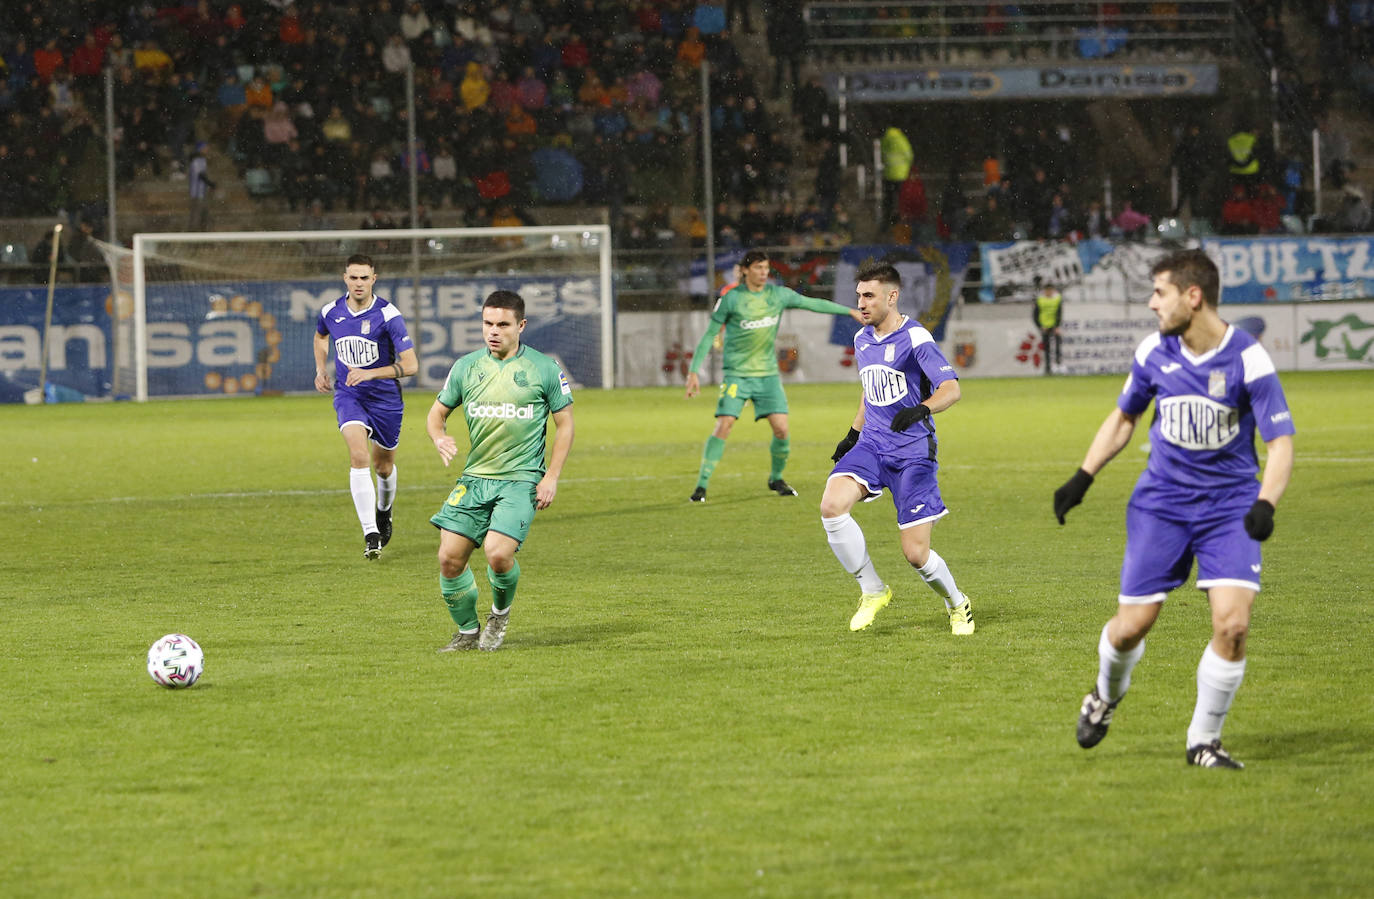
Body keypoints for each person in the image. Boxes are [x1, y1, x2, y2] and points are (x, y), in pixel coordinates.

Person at [1053, 249, 1295, 769]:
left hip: (1229, 509)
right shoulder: (1153, 353)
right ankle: (1104, 694)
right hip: (1161, 505)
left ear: (1193, 295)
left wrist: (1265, 504)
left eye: (1159, 292)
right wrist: (1083, 477)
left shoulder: (1248, 359)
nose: (1150, 304)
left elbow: (1281, 444)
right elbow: (1124, 419)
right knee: (1130, 627)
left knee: (1232, 626)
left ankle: (1203, 741)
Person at [821, 259, 974, 636]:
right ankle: (872, 589)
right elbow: (868, 388)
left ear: (892, 296)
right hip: (873, 444)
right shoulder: (861, 339)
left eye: (869, 296)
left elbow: (951, 389)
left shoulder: (916, 338)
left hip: (912, 453)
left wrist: (921, 408)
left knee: (915, 555)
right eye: (858, 295)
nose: (862, 303)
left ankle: (957, 604)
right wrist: (854, 434)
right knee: (831, 506)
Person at [426, 290, 575, 652]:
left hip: (521, 479)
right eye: (488, 323)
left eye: (503, 324)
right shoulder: (466, 367)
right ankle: (466, 632)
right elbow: (436, 414)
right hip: (475, 479)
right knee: (448, 558)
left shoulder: (543, 368)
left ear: (521, 326)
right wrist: (439, 437)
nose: (494, 331)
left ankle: (499, 614)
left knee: (497, 552)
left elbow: (565, 424)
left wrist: (550, 477)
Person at [684, 248, 863, 502]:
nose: (763, 273)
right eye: (758, 268)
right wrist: (694, 372)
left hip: (768, 376)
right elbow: (710, 334)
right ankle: (700, 487)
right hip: (737, 375)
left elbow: (813, 304)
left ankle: (776, 478)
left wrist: (849, 311)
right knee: (724, 425)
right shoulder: (732, 299)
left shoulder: (777, 295)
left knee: (781, 429)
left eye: (766, 268)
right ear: (745, 270)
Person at [313, 255, 420, 560]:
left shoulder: (388, 314)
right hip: (349, 395)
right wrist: (321, 369)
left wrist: (371, 373)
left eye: (364, 278)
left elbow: (411, 365)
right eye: (353, 277)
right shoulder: (330, 312)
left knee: (383, 467)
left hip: (385, 399)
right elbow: (321, 336)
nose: (358, 283)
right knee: (358, 455)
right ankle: (371, 533)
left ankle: (384, 511)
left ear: (374, 278)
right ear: (344, 278)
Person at [1033, 279, 1063, 375]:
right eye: (1047, 290)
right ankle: (1048, 368)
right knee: (1047, 348)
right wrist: (1040, 326)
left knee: (1058, 343)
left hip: (1054, 326)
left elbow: (1059, 313)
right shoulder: (1040, 300)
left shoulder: (1057, 299)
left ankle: (1058, 363)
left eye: (1051, 290)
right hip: (1044, 327)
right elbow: (1035, 315)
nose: (1049, 292)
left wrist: (1057, 326)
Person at [187, 142, 216, 231]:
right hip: (197, 193)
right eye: (205, 148)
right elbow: (200, 175)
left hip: (201, 193)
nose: (207, 149)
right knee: (197, 214)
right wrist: (210, 183)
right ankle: (194, 234)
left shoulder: (201, 160)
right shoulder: (197, 160)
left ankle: (203, 232)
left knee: (204, 214)